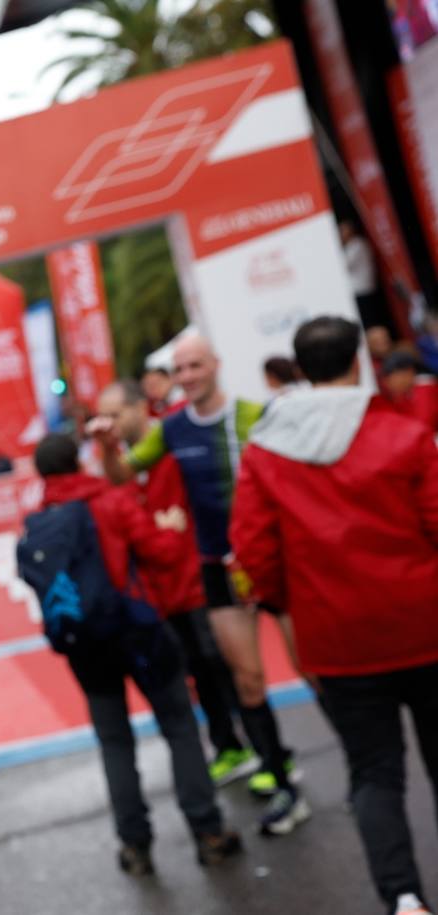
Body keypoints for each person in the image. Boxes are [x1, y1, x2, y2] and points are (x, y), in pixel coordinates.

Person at [231, 316, 438, 915]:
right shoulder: (402, 433)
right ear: (358, 361)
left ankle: (404, 898)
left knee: (373, 772)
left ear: (300, 369)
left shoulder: (266, 451)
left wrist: (290, 604)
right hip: (424, 623)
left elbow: (253, 552)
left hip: (336, 635)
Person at [93, 333, 309, 835]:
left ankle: (354, 765)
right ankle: (282, 784)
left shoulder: (256, 414)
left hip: (273, 559)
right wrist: (106, 446)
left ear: (215, 364)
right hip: (217, 568)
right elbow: (122, 476)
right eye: (180, 369)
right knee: (246, 679)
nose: (188, 376)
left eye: (195, 366)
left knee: (314, 670)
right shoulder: (172, 429)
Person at [22, 434, 242, 875]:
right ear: (78, 461)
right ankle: (208, 832)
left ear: (42, 474)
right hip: (138, 631)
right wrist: (173, 529)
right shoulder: (110, 501)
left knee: (114, 740)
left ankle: (135, 846)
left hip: (85, 643)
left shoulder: (38, 522)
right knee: (179, 726)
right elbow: (161, 553)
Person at [95, 379, 255, 786]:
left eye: (115, 415)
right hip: (161, 593)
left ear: (140, 408)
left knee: (225, 664)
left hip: (200, 579)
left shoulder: (175, 442)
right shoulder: (121, 463)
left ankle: (263, 750)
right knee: (197, 671)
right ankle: (229, 746)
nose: (110, 424)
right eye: (104, 417)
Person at [341, 219, 386, 330]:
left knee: (370, 319)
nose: (340, 234)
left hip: (363, 289)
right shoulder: (353, 245)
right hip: (362, 289)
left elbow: (345, 265)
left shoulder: (357, 245)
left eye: (343, 231)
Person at [378, 350, 438, 433]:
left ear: (410, 373)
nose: (386, 382)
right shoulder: (391, 397)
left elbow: (423, 426)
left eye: (400, 375)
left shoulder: (424, 390)